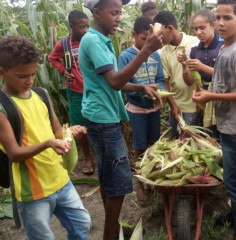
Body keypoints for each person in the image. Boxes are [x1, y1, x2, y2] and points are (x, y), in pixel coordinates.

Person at [79, 0, 162, 239]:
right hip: (103, 119)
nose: (118, 18)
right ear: (96, 12)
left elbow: (114, 81)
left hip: (103, 115)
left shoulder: (102, 41)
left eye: (120, 13)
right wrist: (146, 49)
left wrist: (141, 86)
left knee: (107, 175)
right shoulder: (93, 40)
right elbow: (115, 81)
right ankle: (110, 234)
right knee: (118, 177)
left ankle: (111, 228)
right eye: (114, 13)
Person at [0, 35, 90, 240]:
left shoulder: (41, 94)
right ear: (2, 73)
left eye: (33, 74)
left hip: (60, 179)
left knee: (82, 224)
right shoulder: (3, 107)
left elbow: (57, 130)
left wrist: (69, 132)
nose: (30, 80)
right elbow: (14, 153)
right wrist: (49, 143)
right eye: (22, 76)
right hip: (33, 191)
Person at [192, 0, 236, 239]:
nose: (220, 23)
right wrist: (206, 94)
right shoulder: (225, 47)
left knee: (235, 178)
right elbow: (225, 81)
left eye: (227, 18)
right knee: (232, 176)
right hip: (228, 123)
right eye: (218, 17)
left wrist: (211, 95)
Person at [118, 16, 165, 206]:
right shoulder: (126, 56)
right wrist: (143, 91)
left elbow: (160, 78)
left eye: (150, 39)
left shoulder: (155, 55)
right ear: (134, 35)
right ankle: (139, 183)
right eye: (145, 39)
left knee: (153, 145)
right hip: (137, 110)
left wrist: (158, 90)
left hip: (154, 108)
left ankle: (151, 178)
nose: (148, 43)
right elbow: (123, 84)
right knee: (139, 147)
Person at [48, 10, 95, 175]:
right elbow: (52, 58)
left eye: (88, 26)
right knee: (79, 127)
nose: (85, 30)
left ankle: (99, 153)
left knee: (96, 122)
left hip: (93, 91)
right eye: (82, 27)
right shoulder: (64, 45)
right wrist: (62, 70)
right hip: (75, 93)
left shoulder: (90, 41)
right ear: (71, 26)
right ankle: (88, 157)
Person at [153, 11, 200, 139]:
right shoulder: (162, 53)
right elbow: (165, 82)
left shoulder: (195, 43)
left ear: (170, 28)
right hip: (176, 106)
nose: (159, 39)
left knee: (193, 144)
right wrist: (173, 105)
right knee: (176, 143)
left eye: (160, 35)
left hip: (194, 106)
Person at [178, 8, 223, 138]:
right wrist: (184, 66)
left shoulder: (223, 45)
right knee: (206, 135)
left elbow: (227, 76)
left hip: (220, 95)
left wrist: (202, 67)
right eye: (195, 29)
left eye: (202, 28)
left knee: (220, 133)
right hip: (202, 96)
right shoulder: (194, 49)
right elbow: (189, 81)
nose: (198, 32)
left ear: (213, 25)